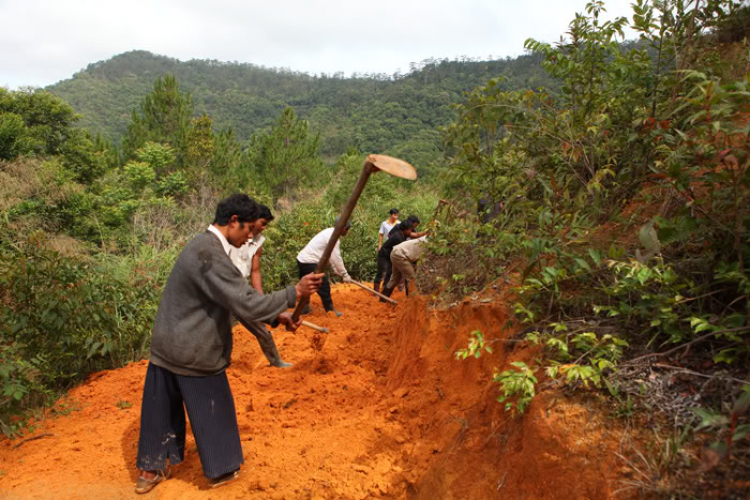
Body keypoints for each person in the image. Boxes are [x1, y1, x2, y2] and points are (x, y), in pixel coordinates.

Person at [135, 194, 323, 494]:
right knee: (213, 407)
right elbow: (245, 302)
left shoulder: (201, 246)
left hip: (166, 345)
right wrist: (294, 292)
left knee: (161, 408)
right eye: (248, 229)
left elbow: (236, 302)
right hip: (193, 350)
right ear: (232, 222)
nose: (251, 236)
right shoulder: (210, 255)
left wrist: (278, 317)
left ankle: (150, 468)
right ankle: (221, 469)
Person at [229, 204, 290, 368]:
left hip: (241, 289)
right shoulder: (231, 234)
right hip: (223, 287)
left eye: (266, 225)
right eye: (262, 223)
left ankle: (275, 361)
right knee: (219, 329)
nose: (263, 228)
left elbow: (255, 271)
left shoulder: (258, 242)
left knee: (261, 327)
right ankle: (220, 364)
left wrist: (261, 302)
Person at [296, 216, 353, 317]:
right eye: (347, 229)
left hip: (302, 259)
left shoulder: (329, 232)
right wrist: (345, 274)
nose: (347, 232)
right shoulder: (333, 237)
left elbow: (330, 256)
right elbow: (336, 258)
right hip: (309, 261)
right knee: (324, 285)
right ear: (342, 228)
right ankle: (330, 310)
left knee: (308, 285)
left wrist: (337, 271)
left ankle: (304, 308)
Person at [377, 220, 415, 301]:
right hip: (387, 255)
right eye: (410, 230)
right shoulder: (398, 237)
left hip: (394, 254)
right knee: (411, 277)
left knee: (395, 278)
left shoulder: (402, 235)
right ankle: (410, 300)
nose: (411, 232)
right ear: (405, 229)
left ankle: (382, 299)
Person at [373, 208, 400, 293]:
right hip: (386, 247)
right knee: (381, 269)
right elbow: (381, 234)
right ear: (391, 215)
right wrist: (379, 245)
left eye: (397, 215)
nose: (396, 216)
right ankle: (376, 290)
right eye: (394, 214)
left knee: (390, 270)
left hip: (395, 248)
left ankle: (385, 287)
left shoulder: (399, 224)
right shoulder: (384, 224)